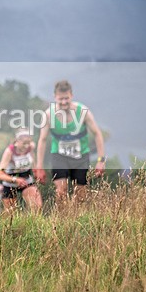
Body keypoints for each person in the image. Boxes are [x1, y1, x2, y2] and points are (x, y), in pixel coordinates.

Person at [34, 80, 106, 210]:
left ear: (71, 95)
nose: (63, 102)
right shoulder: (48, 115)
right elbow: (42, 140)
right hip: (59, 155)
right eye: (60, 99)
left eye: (66, 98)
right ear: (55, 97)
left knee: (81, 195)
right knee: (61, 192)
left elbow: (97, 134)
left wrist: (101, 160)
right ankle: (62, 222)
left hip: (81, 156)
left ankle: (76, 221)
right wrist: (39, 166)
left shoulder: (83, 111)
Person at [0, 128, 43, 214]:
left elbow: (33, 161)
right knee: (10, 214)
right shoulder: (9, 152)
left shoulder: (31, 147)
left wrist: (37, 172)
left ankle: (33, 225)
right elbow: (0, 174)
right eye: (24, 143)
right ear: (17, 141)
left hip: (26, 181)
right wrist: (15, 179)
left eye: (28, 143)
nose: (26, 146)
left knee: (37, 207)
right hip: (10, 183)